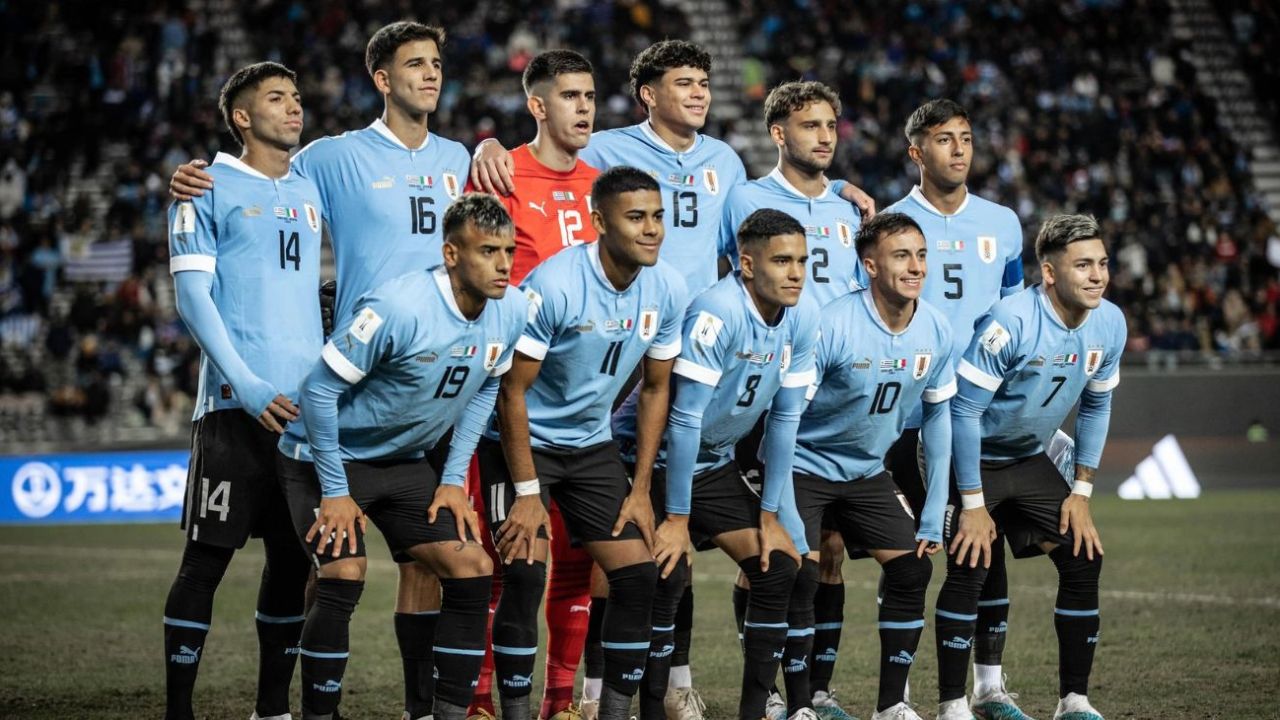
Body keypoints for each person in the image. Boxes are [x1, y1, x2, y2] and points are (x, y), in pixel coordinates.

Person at [169, 22, 473, 720]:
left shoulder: (451, 158)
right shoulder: (322, 162)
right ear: (382, 78)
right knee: (259, 562)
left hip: (378, 396)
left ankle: (310, 707)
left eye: (437, 63)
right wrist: (189, 176)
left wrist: (490, 148)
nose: (431, 74)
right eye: (414, 63)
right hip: (284, 399)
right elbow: (241, 188)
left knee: (319, 561)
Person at [276, 194, 527, 720]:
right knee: (344, 571)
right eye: (487, 252)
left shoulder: (515, 309)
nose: (503, 264)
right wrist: (336, 491)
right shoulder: (399, 307)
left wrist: (454, 479)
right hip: (324, 457)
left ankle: (445, 715)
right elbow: (317, 392)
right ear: (452, 255)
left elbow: (486, 389)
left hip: (404, 461)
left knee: (473, 567)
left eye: (508, 250)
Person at [477, 167, 686, 720]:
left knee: (638, 575)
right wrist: (526, 492)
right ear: (598, 221)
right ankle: (519, 713)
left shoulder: (668, 287)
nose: (652, 230)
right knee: (524, 572)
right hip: (521, 443)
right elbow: (510, 394)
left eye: (658, 217)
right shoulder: (555, 285)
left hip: (590, 446)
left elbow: (655, 389)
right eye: (636, 217)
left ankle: (614, 713)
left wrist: (640, 488)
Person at [161, 61, 321, 720]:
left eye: (297, 97)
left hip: (305, 418)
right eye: (276, 98)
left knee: (290, 565)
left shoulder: (313, 187)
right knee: (205, 562)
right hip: (233, 410)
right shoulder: (205, 186)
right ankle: (178, 711)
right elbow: (193, 298)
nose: (294, 108)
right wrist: (248, 385)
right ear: (241, 117)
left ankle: (271, 710)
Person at [613, 208, 817, 719]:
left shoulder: (805, 318)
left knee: (779, 567)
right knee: (668, 573)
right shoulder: (715, 313)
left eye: (801, 261)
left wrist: (770, 515)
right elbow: (682, 420)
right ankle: (652, 710)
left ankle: (753, 712)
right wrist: (677, 521)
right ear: (746, 265)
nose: (795, 273)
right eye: (782, 261)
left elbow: (784, 423)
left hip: (713, 463)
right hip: (650, 459)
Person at [935, 214, 1124, 720]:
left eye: (1102, 264)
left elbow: (1097, 406)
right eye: (1082, 265)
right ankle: (954, 705)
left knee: (1083, 558)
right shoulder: (1012, 321)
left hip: (1028, 457)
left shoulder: (1111, 322)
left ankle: (1074, 701)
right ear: (1048, 272)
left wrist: (1080, 493)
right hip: (970, 457)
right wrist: (973, 504)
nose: (1097, 276)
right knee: (972, 562)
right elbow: (963, 411)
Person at [717, 79, 864, 720]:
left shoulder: (849, 209)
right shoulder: (745, 197)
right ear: (779, 134)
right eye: (810, 126)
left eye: (831, 125)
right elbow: (732, 278)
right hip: (766, 394)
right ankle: (771, 692)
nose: (825, 137)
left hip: (832, 398)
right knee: (769, 551)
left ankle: (817, 691)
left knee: (828, 551)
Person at [462, 49, 601, 720]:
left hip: (584, 405)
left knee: (575, 560)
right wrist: (485, 143)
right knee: (509, 558)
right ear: (539, 106)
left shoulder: (605, 184)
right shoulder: (499, 172)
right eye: (571, 96)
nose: (585, 108)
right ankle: (484, 701)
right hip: (508, 401)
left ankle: (560, 701)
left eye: (592, 96)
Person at [881, 99, 1027, 720]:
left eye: (966, 137)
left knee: (983, 544)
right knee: (911, 553)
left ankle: (989, 687)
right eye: (944, 140)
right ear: (917, 152)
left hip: (984, 416)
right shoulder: (890, 222)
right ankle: (902, 694)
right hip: (911, 417)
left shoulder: (1003, 222)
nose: (960, 149)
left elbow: (1022, 314)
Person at [787, 212, 957, 720]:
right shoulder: (832, 325)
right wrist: (775, 495)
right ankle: (797, 704)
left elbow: (940, 419)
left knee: (912, 569)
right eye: (901, 255)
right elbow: (786, 416)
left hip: (865, 472)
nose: (916, 267)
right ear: (870, 266)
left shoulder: (936, 327)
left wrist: (935, 508)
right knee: (798, 573)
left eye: (921, 255)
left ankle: (891, 705)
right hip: (803, 465)